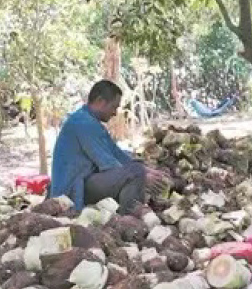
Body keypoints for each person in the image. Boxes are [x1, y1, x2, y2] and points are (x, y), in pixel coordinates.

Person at [50, 80, 165, 214]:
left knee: (137, 168)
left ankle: (128, 212)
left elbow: (116, 152)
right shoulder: (83, 123)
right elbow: (108, 163)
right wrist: (143, 174)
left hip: (85, 181)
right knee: (135, 172)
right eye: (114, 107)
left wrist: (147, 169)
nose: (115, 113)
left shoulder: (89, 120)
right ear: (100, 101)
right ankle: (128, 218)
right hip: (73, 189)